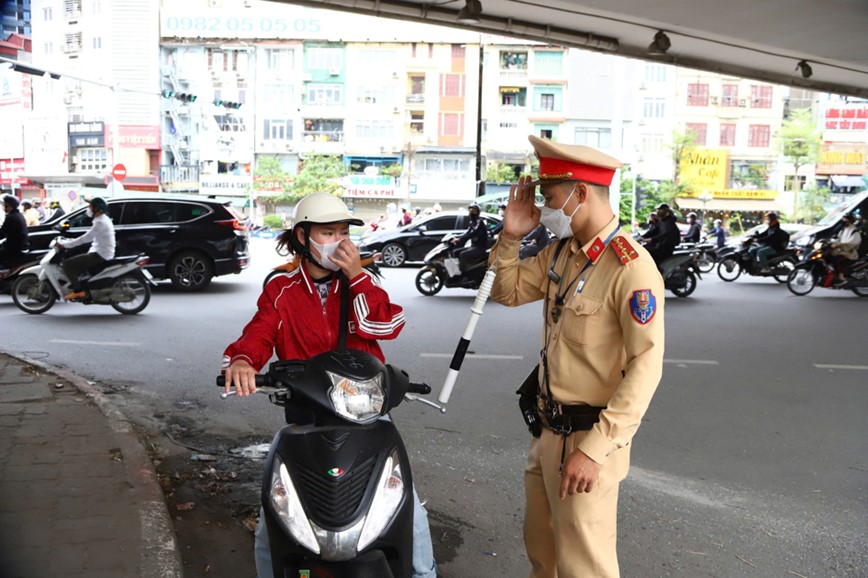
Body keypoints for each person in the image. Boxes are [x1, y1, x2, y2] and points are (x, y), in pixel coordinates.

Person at [221, 192, 437, 578]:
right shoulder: (281, 289)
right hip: (307, 420)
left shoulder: (361, 282)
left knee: (407, 507)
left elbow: (383, 326)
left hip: (368, 419)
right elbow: (260, 331)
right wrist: (242, 360)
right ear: (302, 237)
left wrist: (356, 277)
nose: (338, 240)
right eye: (327, 232)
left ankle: (425, 574)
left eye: (343, 232)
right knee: (275, 516)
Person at [488, 135, 664, 578]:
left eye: (549, 198)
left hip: (588, 442)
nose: (543, 208)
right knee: (543, 557)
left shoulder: (631, 267)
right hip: (547, 432)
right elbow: (505, 291)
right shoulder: (563, 254)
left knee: (584, 566)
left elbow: (646, 365)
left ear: (580, 194)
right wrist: (510, 238)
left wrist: (597, 449)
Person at [55, 197, 115, 300]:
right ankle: (82, 286)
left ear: (96, 208)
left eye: (90, 206)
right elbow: (88, 236)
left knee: (67, 264)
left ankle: (78, 291)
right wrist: (69, 241)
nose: (88, 208)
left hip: (100, 254)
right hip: (100, 250)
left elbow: (86, 238)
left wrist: (66, 245)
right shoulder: (102, 219)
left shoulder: (100, 222)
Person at [450, 202, 489, 272]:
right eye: (470, 211)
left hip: (480, 248)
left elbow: (473, 233)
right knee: (455, 252)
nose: (471, 213)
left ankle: (464, 275)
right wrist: (457, 237)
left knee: (463, 255)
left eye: (473, 211)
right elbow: (467, 232)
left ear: (477, 212)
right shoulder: (472, 222)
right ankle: (455, 271)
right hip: (473, 246)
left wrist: (460, 239)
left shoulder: (480, 222)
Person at [828, 212, 862, 286]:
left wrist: (839, 245)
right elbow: (838, 239)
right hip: (841, 251)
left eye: (845, 219)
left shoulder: (854, 231)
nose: (843, 220)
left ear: (850, 220)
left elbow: (852, 244)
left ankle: (841, 277)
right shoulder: (843, 230)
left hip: (849, 253)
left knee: (837, 260)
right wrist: (830, 242)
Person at [0, 195, 30, 268]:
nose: (3, 207)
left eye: (4, 205)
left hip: (16, 249)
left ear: (9, 205)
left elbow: (2, 234)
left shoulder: (11, 217)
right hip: (21, 246)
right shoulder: (18, 215)